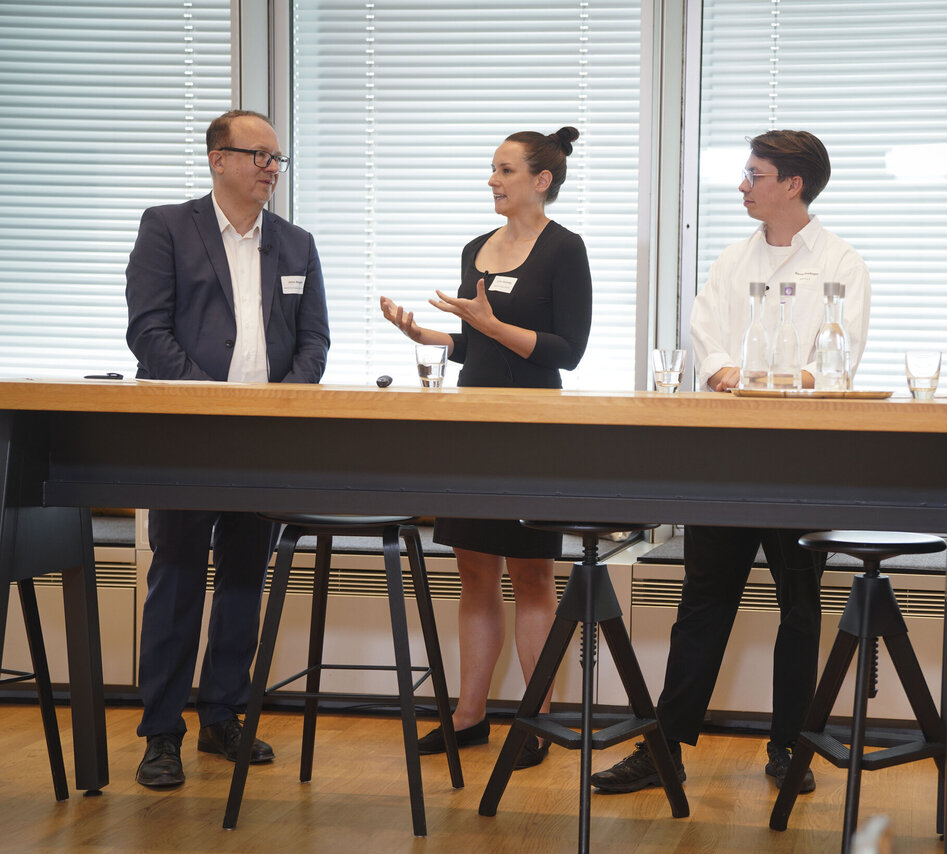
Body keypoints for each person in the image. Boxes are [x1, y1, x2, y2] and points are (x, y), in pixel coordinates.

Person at [591, 130, 870, 794]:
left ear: (792, 184)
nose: (743, 186)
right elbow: (706, 337)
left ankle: (788, 748)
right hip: (728, 455)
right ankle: (666, 749)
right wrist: (727, 372)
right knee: (703, 602)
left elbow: (837, 357)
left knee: (799, 606)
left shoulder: (842, 262)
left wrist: (774, 379)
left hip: (804, 458)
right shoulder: (729, 261)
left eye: (754, 174)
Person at [125, 109, 330, 787]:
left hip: (265, 441)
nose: (271, 169)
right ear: (218, 159)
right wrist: (206, 401)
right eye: (259, 156)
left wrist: (278, 405)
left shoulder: (296, 245)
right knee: (177, 578)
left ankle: (221, 716)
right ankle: (160, 732)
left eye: (278, 159)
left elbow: (314, 342)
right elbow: (148, 332)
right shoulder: (168, 227)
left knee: (245, 579)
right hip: (187, 434)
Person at [379, 127, 592, 769]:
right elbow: (480, 345)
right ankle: (469, 718)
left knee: (531, 574)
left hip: (533, 428)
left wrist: (493, 325)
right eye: (492, 170)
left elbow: (568, 352)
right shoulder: (477, 247)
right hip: (473, 423)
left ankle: (537, 721)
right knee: (473, 569)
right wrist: (429, 335)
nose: (492, 181)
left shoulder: (564, 250)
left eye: (503, 170)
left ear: (540, 180)